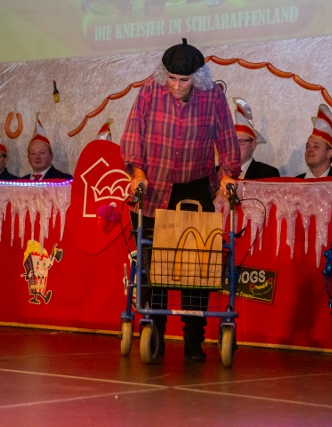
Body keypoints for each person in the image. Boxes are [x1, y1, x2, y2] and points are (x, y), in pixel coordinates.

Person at [120, 38, 241, 361]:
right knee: (153, 267)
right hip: (155, 185)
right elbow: (133, 133)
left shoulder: (212, 96)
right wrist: (137, 171)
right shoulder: (150, 91)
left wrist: (228, 174)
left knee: (196, 270)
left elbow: (226, 138)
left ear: (197, 78)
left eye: (183, 80)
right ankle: (155, 332)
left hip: (194, 185)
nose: (175, 85)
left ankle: (193, 340)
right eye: (171, 78)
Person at [296, 104, 332, 178]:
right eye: (307, 146)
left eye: (316, 146)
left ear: (329, 153)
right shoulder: (295, 183)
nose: (309, 150)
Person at [232, 97, 280, 179]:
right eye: (232, 142)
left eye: (241, 141)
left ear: (253, 144)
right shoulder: (216, 173)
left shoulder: (268, 174)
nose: (235, 147)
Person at [21, 116, 72, 181]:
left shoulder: (64, 180)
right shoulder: (21, 182)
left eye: (42, 153)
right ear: (28, 158)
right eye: (33, 153)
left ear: (51, 156)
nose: (37, 157)